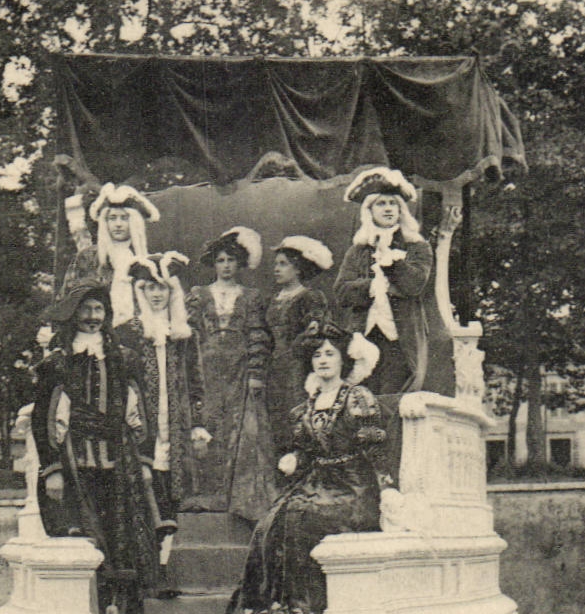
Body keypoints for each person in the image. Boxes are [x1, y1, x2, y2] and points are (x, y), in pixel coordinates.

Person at [202, 320, 385, 614]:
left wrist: (386, 488)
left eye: (330, 353)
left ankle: (301, 612)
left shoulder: (358, 397)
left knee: (299, 518)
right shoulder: (306, 406)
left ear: (344, 358)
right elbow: (305, 452)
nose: (323, 360)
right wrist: (295, 459)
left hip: (353, 487)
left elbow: (376, 450)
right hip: (316, 484)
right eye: (317, 355)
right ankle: (269, 610)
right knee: (268, 523)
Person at [32, 282, 172, 614]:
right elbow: (41, 418)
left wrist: (143, 458)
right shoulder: (57, 363)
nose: (93, 318)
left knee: (128, 537)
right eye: (86, 309)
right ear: (73, 314)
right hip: (75, 460)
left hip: (119, 458)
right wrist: (53, 470)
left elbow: (140, 408)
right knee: (84, 537)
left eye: (99, 310)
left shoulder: (124, 358)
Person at [332, 167, 454, 398]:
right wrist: (369, 286)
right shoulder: (357, 251)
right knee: (361, 399)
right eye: (381, 203)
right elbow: (341, 291)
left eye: (393, 203)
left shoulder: (417, 247)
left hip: (401, 338)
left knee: (393, 398)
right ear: (369, 210)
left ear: (401, 209)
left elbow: (414, 284)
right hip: (364, 337)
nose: (388, 208)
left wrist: (391, 263)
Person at [125, 253, 210, 580]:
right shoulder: (130, 332)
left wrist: (199, 422)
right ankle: (147, 569)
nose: (157, 294)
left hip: (175, 423)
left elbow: (196, 379)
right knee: (144, 488)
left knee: (170, 493)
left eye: (163, 288)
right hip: (141, 424)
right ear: (142, 291)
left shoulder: (183, 334)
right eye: (151, 288)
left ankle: (166, 566)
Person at [185, 226, 274, 519]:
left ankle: (235, 494)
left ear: (240, 264)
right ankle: (209, 494)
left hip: (238, 369)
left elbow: (258, 336)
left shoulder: (250, 297)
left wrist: (255, 373)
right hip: (205, 370)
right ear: (214, 263)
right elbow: (189, 334)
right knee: (208, 426)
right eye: (221, 260)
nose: (226, 266)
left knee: (238, 428)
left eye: (231, 261)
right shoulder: (198, 295)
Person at [263, 236, 333, 457]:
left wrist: (298, 348)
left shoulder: (310, 297)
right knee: (276, 418)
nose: (276, 269)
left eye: (283, 264)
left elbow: (317, 332)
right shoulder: (273, 300)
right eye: (276, 264)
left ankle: (302, 468)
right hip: (273, 368)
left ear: (298, 268)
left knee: (298, 415)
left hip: (298, 367)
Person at [60, 182, 161, 329]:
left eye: (124, 218)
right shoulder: (89, 257)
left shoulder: (146, 263)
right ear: (104, 222)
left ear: (134, 222)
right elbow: (67, 300)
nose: (118, 224)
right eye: (112, 218)